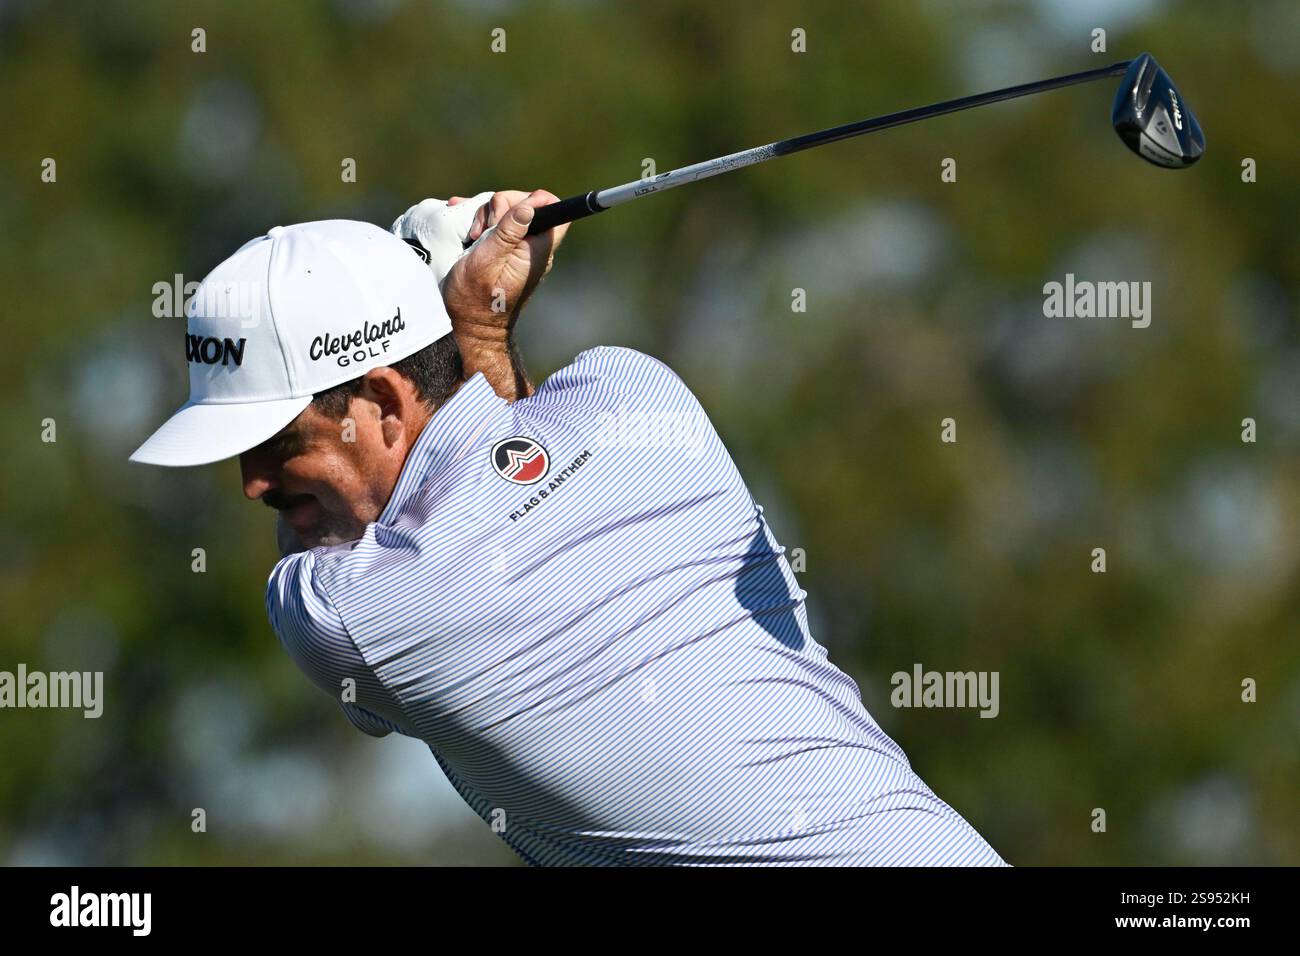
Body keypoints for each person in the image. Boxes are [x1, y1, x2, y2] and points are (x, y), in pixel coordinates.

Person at [131, 189, 1006, 866]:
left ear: (389, 405)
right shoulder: (636, 394)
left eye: (278, 446)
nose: (251, 485)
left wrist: (468, 318)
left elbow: (467, 504)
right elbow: (506, 466)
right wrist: (473, 317)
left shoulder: (353, 619)